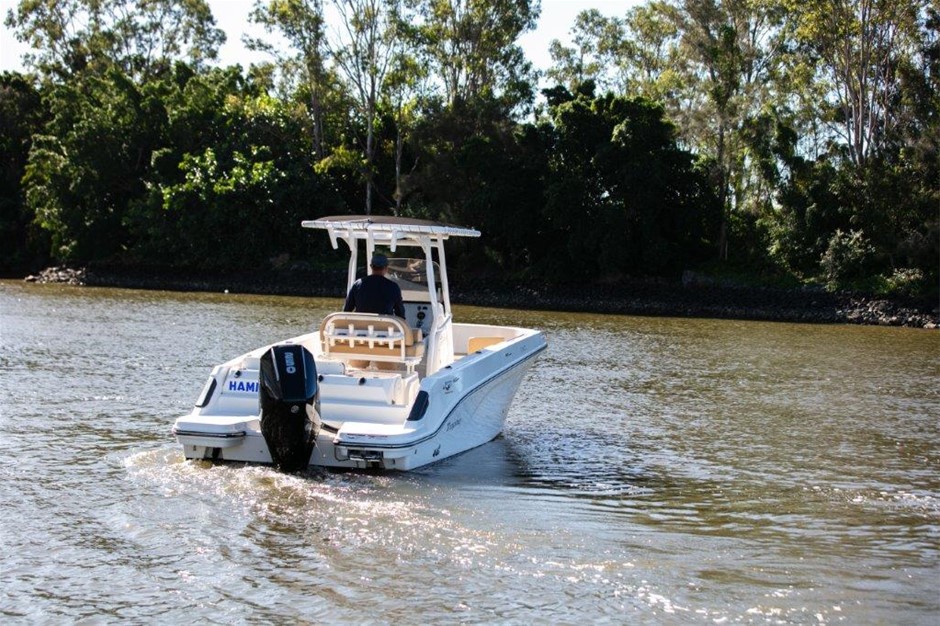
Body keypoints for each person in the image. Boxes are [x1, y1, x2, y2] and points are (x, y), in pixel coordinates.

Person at [343, 253, 405, 318]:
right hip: (384, 324)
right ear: (386, 268)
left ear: (371, 266)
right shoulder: (393, 287)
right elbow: (400, 313)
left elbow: (347, 310)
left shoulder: (357, 285)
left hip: (362, 324)